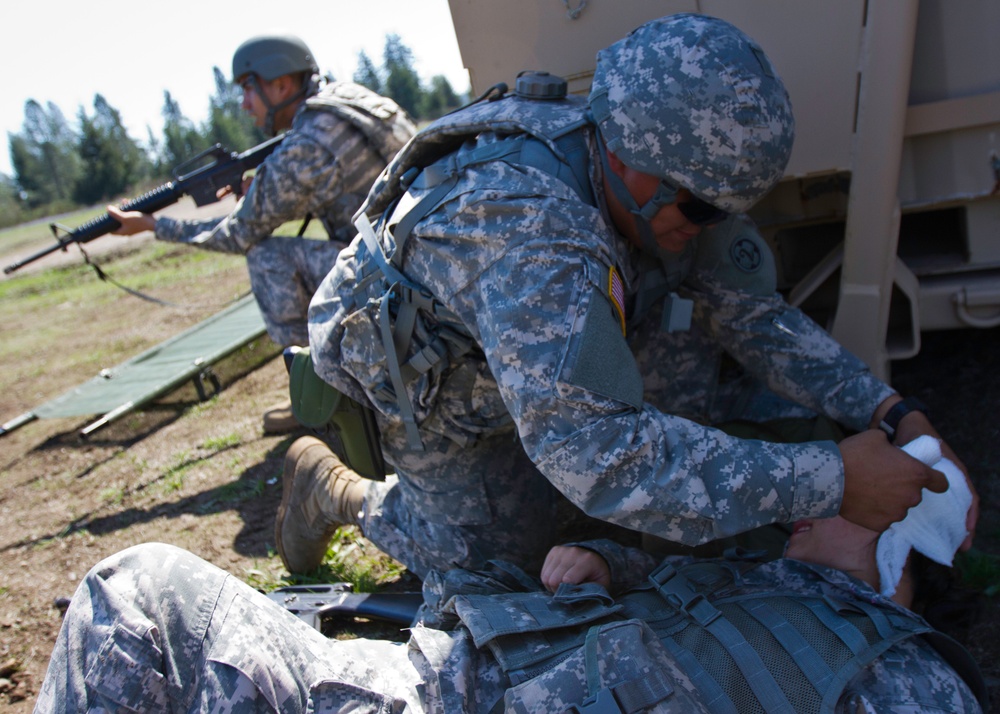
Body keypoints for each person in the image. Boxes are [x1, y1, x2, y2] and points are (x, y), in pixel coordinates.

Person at [277, 13, 978, 578]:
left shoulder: (665, 173)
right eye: (702, 208)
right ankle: (334, 490)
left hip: (528, 349)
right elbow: (598, 452)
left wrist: (890, 410)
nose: (710, 225)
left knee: (646, 460)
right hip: (430, 387)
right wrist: (829, 480)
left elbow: (756, 318)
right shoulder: (529, 228)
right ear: (624, 156)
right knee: (496, 570)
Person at [33, 482, 987, 712]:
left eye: (852, 500)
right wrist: (608, 568)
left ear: (901, 544)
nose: (810, 506)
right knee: (144, 589)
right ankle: (336, 491)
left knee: (139, 591)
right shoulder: (780, 570)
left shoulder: (905, 677)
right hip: (438, 668)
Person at [107, 33, 416, 432]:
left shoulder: (304, 144)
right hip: (417, 246)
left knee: (266, 254)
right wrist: (265, 187)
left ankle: (321, 391)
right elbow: (349, 185)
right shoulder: (347, 101)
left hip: (396, 272)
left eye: (247, 90)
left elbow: (238, 234)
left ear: (281, 83)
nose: (244, 105)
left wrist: (151, 225)